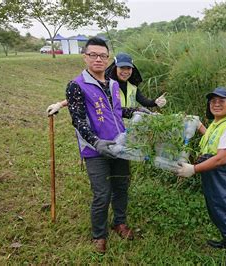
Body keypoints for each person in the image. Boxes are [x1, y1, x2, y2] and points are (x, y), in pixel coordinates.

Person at [65, 37, 139, 253]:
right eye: (93, 55)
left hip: (120, 145)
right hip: (94, 150)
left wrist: (137, 111)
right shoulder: (76, 85)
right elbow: (77, 120)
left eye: (103, 55)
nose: (98, 59)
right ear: (85, 57)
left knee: (121, 187)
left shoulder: (114, 84)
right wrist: (96, 142)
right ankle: (99, 234)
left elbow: (116, 112)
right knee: (102, 193)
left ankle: (119, 222)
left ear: (108, 59)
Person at [176, 87, 226, 265]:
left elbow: (221, 158)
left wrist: (193, 169)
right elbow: (211, 139)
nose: (216, 104)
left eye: (221, 101)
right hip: (214, 179)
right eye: (213, 101)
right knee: (218, 211)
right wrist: (198, 125)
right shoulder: (217, 123)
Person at [46, 52, 166, 115]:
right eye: (122, 68)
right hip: (112, 127)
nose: (125, 72)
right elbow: (84, 96)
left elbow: (144, 101)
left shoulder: (132, 87)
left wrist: (155, 102)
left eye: (128, 68)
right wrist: (60, 105)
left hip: (129, 128)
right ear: (115, 68)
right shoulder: (107, 85)